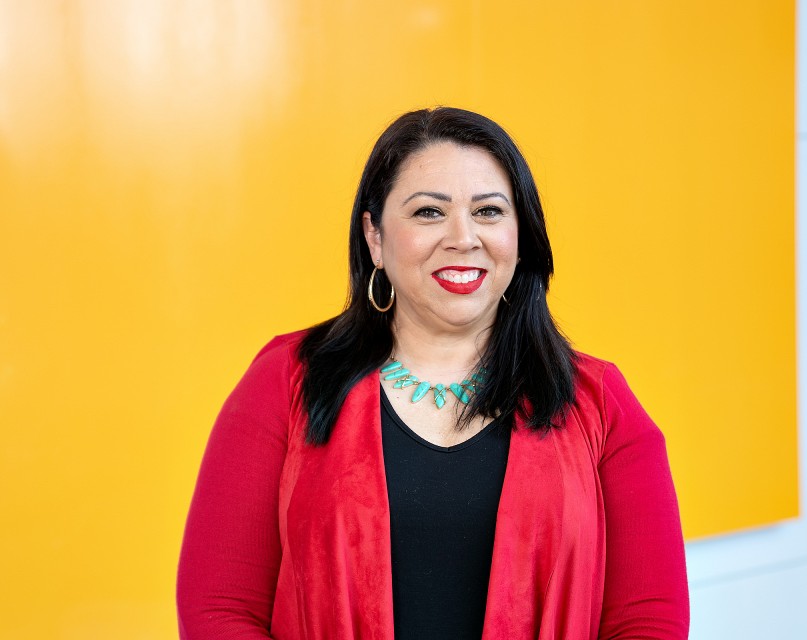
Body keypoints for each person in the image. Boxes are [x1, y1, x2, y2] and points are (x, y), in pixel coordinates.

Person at [177, 107, 689, 639]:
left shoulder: (601, 403)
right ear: (375, 236)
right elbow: (220, 608)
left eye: (489, 211)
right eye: (428, 213)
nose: (463, 238)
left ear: (522, 233)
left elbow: (648, 621)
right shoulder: (287, 381)